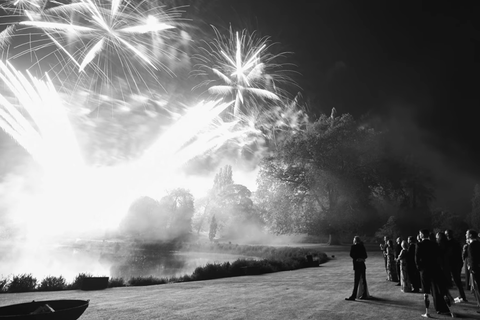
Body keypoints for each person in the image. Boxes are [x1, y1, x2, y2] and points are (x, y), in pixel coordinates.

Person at [416, 229, 452, 318]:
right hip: (434, 269)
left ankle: (427, 312)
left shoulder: (419, 245)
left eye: (420, 234)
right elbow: (439, 256)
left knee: (426, 291)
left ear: (422, 235)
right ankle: (441, 308)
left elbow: (416, 259)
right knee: (436, 290)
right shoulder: (434, 244)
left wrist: (420, 269)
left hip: (425, 270)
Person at [445, 229, 467, 303]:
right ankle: (461, 295)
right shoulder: (456, 242)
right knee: (457, 280)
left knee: (457, 280)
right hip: (457, 263)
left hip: (454, 264)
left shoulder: (450, 243)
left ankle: (462, 296)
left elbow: (450, 254)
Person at [345, 236, 369, 301]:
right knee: (363, 279)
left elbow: (351, 255)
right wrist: (362, 258)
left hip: (357, 265)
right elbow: (365, 255)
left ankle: (354, 295)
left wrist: (357, 258)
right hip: (362, 264)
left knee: (356, 280)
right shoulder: (362, 246)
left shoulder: (353, 247)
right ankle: (364, 294)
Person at [467, 229, 480, 310]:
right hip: (477, 267)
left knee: (477, 287)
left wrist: (472, 268)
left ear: (470, 235)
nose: (466, 234)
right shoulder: (478, 243)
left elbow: (473, 258)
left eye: (467, 233)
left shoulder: (472, 245)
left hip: (475, 268)